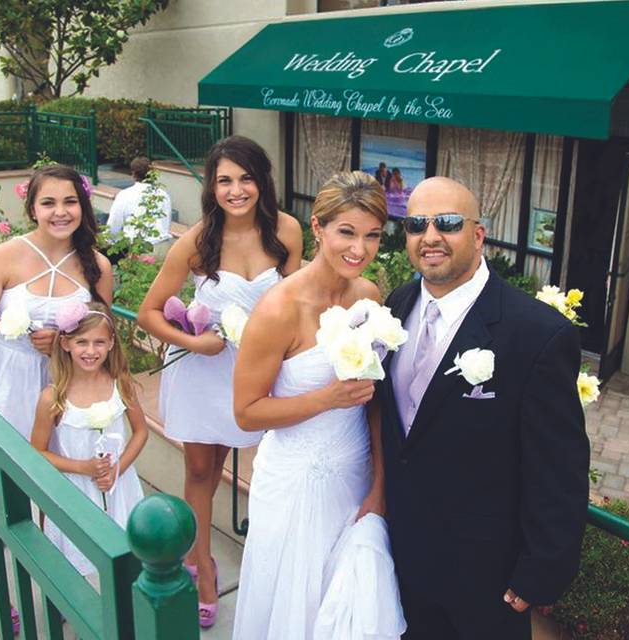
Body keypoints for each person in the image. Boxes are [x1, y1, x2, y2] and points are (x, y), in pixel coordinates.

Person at [378, 177, 590, 639]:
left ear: (478, 235)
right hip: (404, 558)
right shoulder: (396, 306)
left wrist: (541, 571)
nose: (430, 236)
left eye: (448, 223)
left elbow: (559, 468)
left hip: (485, 577)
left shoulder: (537, 335)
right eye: (417, 224)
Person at [137, 135, 303, 627]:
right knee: (200, 474)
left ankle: (268, 566)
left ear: (262, 181)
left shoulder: (287, 231)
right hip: (201, 370)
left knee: (254, 461)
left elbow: (295, 302)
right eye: (224, 180)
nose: (236, 190)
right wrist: (192, 343)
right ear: (211, 186)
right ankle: (202, 567)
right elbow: (148, 312)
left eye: (245, 178)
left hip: (253, 375)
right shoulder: (198, 239)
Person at [231, 171, 392, 640]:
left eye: (372, 236)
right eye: (347, 232)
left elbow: (374, 403)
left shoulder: (368, 297)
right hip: (295, 482)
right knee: (291, 606)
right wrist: (327, 398)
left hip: (356, 472)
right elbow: (246, 412)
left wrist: (379, 487)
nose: (359, 249)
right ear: (318, 228)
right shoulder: (279, 308)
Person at [0, 163, 113, 470]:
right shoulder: (3, 257)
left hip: (62, 385)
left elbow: (102, 338)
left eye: (70, 202)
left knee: (57, 479)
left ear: (83, 206)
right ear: (33, 209)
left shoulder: (98, 266)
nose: (60, 212)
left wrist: (64, 342)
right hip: (3, 379)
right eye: (48, 203)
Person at [31, 301, 148, 576]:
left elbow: (141, 432)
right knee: (74, 559)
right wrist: (83, 467)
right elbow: (37, 452)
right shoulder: (53, 397)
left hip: (120, 485)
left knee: (124, 554)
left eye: (99, 342)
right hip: (76, 490)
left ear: (110, 345)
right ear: (65, 344)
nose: (91, 351)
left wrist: (118, 468)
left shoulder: (120, 383)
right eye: (81, 342)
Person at [107, 156, 173, 245]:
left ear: (133, 174)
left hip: (137, 249)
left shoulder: (124, 195)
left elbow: (113, 228)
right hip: (162, 245)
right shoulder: (164, 195)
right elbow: (165, 224)